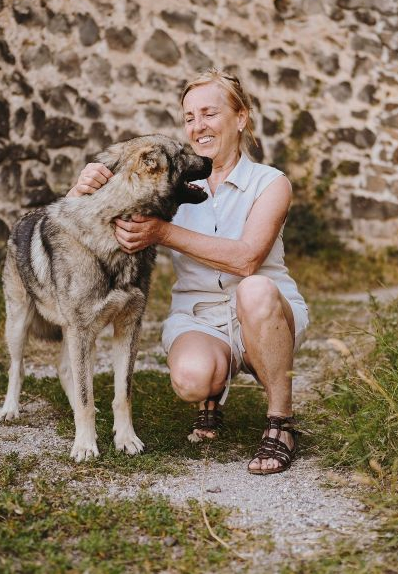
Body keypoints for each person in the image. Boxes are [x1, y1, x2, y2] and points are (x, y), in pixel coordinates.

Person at [67, 69, 309, 474]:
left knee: (254, 288)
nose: (198, 126)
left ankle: (280, 422)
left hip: (266, 314)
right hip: (200, 318)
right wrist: (82, 191)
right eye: (190, 117)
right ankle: (209, 397)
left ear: (241, 117)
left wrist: (163, 232)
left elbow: (246, 259)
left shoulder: (271, 183)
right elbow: (95, 222)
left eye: (210, 113)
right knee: (192, 377)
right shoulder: (170, 181)